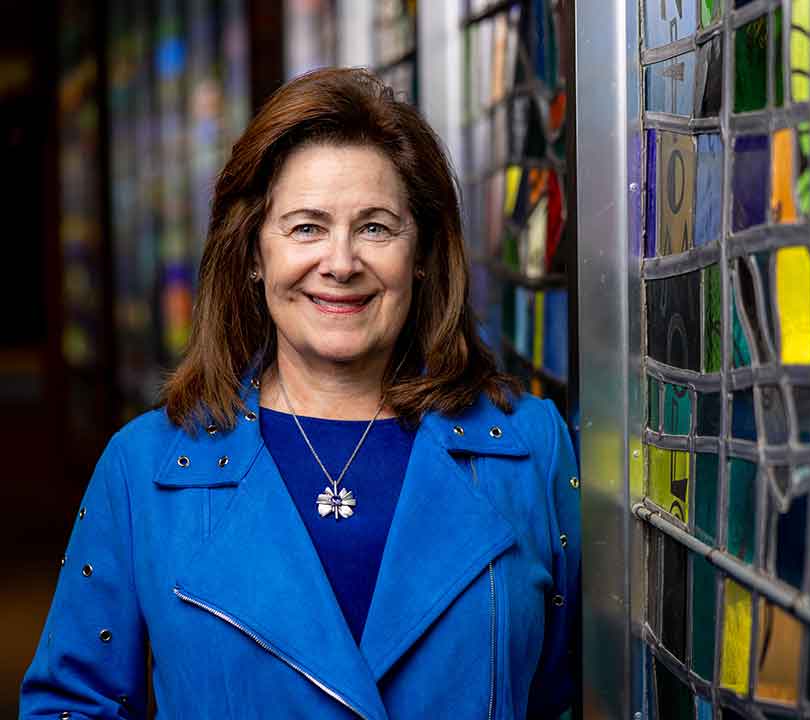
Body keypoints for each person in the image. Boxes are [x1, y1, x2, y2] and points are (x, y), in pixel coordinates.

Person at [20, 67, 580, 719]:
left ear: (422, 251)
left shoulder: (531, 449)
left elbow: (569, 698)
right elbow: (71, 706)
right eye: (306, 227)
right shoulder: (142, 469)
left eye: (375, 227)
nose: (340, 263)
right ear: (254, 253)